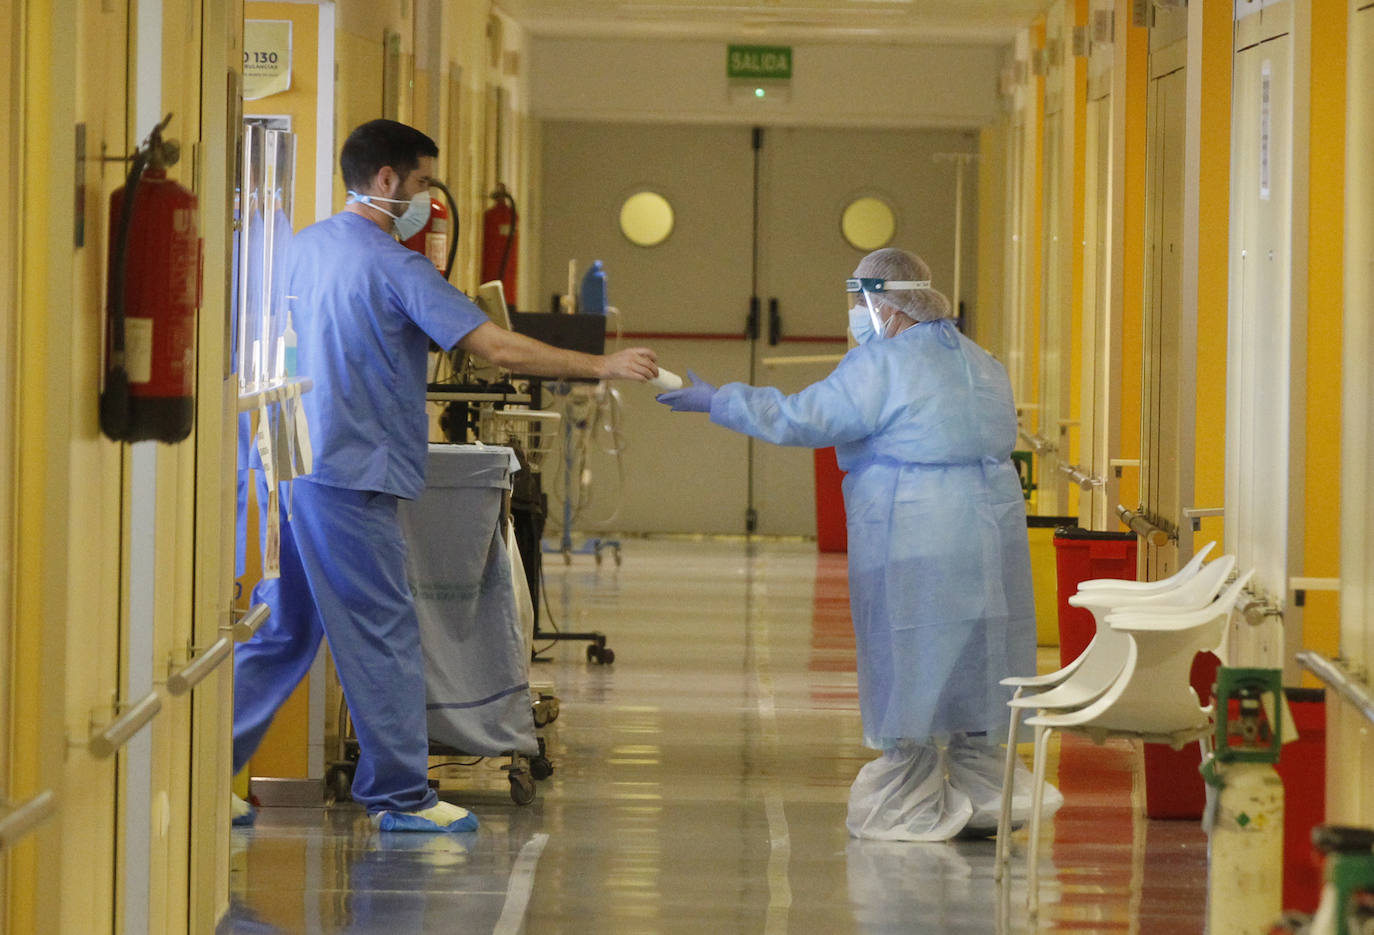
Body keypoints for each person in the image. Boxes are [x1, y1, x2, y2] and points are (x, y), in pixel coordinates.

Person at [232, 119, 657, 833]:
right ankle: (400, 797)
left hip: (294, 470)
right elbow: (495, 347)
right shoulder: (396, 267)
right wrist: (600, 366)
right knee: (386, 633)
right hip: (354, 473)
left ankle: (207, 771)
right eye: (426, 183)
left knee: (286, 629)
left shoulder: (300, 249)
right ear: (389, 181)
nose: (431, 199)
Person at [656, 247, 1059, 841]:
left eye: (859, 306)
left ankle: (909, 799)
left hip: (917, 529)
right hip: (990, 529)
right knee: (982, 661)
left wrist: (721, 401)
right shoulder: (981, 361)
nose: (857, 319)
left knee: (910, 658)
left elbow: (806, 418)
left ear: (884, 304)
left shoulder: (884, 365)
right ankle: (991, 793)